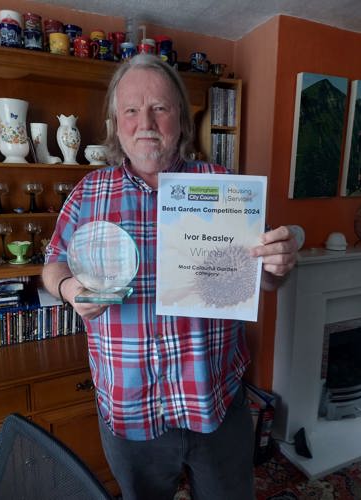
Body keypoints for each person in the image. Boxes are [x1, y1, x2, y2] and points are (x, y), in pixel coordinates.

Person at [42, 54, 297, 500]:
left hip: (214, 405)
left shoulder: (223, 185)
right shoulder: (88, 193)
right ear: (116, 123)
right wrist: (68, 289)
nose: (146, 122)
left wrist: (275, 269)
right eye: (132, 110)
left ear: (180, 115)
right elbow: (53, 264)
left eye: (159, 107)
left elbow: (260, 280)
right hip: (129, 413)